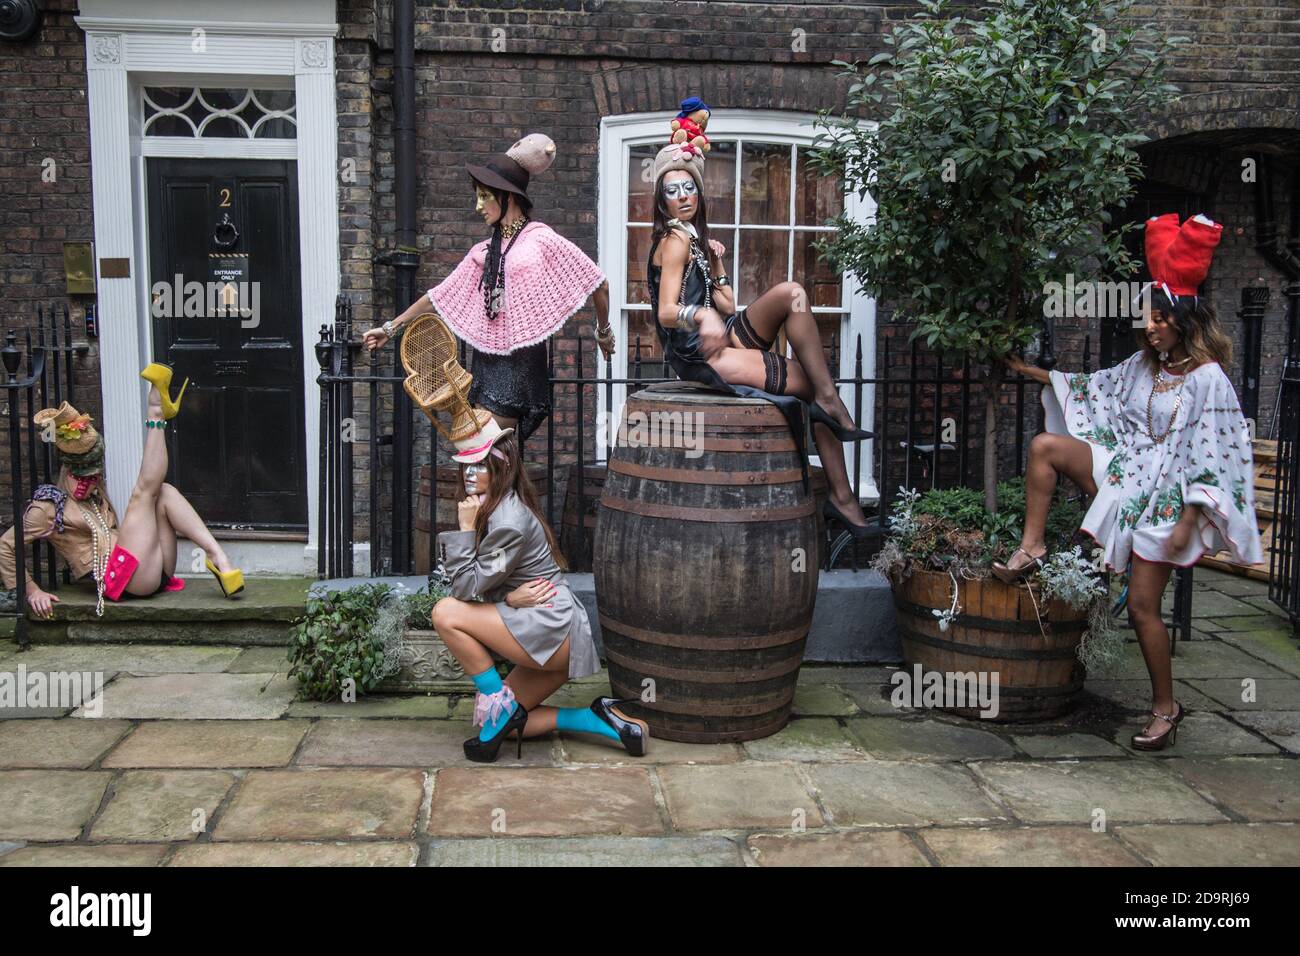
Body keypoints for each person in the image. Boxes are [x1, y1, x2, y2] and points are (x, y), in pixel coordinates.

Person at [998, 213, 1262, 751]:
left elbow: (1212, 456)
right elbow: (1097, 387)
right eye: (1148, 318)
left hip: (1168, 500)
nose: (1151, 327)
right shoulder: (1148, 364)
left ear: (1186, 318)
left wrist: (1189, 519)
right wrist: (1029, 372)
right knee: (1045, 447)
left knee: (1143, 607)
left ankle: (1166, 707)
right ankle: (1033, 546)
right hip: (1125, 474)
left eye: (1161, 319)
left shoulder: (1208, 379)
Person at [647, 136, 873, 532]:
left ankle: (829, 399)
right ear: (661, 201)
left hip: (724, 335)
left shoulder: (694, 239)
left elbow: (730, 306)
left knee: (793, 293)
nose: (683, 197)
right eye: (672, 191)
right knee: (805, 384)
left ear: (699, 193)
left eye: (689, 188)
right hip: (701, 354)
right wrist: (702, 316)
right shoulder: (674, 240)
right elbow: (667, 313)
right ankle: (842, 497)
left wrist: (717, 261)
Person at [363, 133, 615, 443]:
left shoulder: (540, 239)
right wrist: (389, 329)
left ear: (508, 196)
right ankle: (508, 494)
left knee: (485, 452)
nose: (478, 206)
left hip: (519, 364)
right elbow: (439, 296)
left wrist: (603, 332)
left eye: (485, 196)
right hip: (486, 363)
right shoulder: (484, 251)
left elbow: (597, 282)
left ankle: (500, 492)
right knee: (491, 461)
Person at [431, 415, 648, 762]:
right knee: (503, 722)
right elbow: (497, 579)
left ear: (501, 469)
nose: (469, 474)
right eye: (465, 466)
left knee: (445, 613)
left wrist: (465, 531)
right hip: (552, 632)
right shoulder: (501, 507)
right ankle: (596, 719)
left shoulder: (507, 522)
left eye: (479, 466)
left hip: (550, 629)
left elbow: (463, 588)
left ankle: (499, 708)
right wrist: (510, 599)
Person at [0, 364, 245, 618]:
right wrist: (31, 591)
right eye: (82, 476)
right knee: (144, 493)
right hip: (124, 582)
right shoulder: (48, 508)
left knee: (164, 491)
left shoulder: (94, 495)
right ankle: (157, 411)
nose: (91, 482)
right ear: (66, 472)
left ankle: (215, 555)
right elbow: (5, 547)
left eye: (95, 475)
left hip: (154, 569)